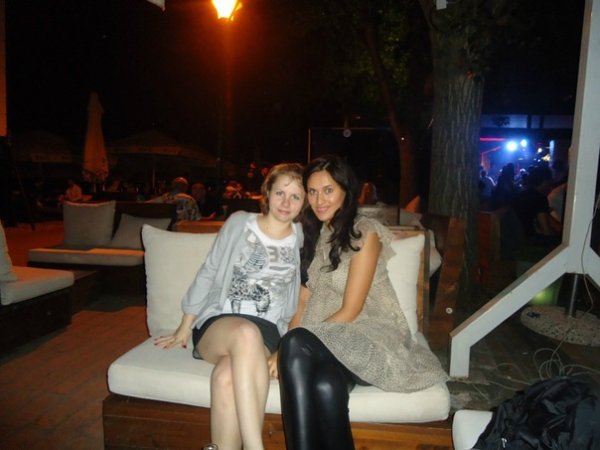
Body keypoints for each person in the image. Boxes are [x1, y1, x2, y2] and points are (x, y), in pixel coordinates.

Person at [277, 155, 448, 450]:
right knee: (326, 385)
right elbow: (303, 303)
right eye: (313, 191)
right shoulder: (313, 236)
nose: (319, 200)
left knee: (296, 342)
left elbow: (351, 310)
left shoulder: (364, 232)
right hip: (331, 343)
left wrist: (292, 345)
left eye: (328, 190)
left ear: (346, 191)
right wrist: (280, 351)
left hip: (370, 333)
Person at [154, 163, 306, 450]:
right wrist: (185, 324)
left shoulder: (300, 238)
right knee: (245, 334)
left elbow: (303, 297)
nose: (286, 202)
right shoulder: (240, 223)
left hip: (268, 331)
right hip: (221, 322)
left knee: (225, 379)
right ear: (267, 193)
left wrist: (286, 345)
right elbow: (209, 270)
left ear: (304, 203)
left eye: (295, 196)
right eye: (280, 193)